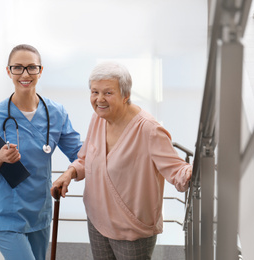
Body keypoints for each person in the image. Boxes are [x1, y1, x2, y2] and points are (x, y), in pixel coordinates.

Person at [51, 61, 192, 260]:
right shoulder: (98, 118)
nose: (99, 99)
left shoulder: (149, 130)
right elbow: (85, 158)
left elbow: (176, 170)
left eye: (108, 93)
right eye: (94, 92)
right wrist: (69, 173)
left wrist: (193, 171)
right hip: (97, 221)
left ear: (126, 95)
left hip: (131, 229)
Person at [0, 44, 82, 260]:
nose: (25, 74)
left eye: (32, 67)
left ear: (41, 71)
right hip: (5, 214)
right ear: (8, 71)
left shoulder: (56, 113)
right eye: (18, 68)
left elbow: (80, 154)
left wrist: (69, 173)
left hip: (39, 213)